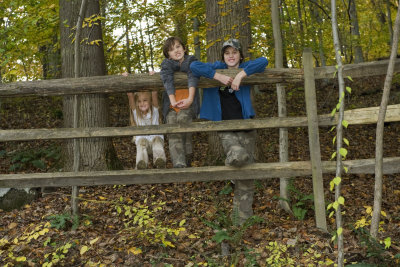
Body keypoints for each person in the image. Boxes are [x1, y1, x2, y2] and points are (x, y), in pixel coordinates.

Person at [190, 38, 268, 223]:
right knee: (238, 156)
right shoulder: (216, 67)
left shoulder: (247, 67)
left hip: (247, 127)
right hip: (225, 127)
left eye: (234, 52)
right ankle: (232, 170)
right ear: (223, 56)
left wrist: (241, 75)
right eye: (227, 53)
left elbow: (263, 61)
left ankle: (241, 221)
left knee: (246, 175)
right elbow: (194, 66)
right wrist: (219, 76)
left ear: (240, 55)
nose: (231, 56)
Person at [160, 36, 200, 168]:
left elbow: (192, 76)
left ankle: (188, 154)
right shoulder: (166, 65)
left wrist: (190, 99)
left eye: (178, 46)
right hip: (172, 106)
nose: (176, 50)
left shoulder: (191, 61)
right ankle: (179, 162)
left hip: (188, 104)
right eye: (171, 50)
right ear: (168, 55)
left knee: (183, 119)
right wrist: (173, 102)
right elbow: (167, 80)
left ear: (184, 48)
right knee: (172, 128)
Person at [128, 91, 166, 169]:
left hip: (155, 138)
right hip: (143, 141)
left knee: (157, 141)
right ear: (136, 103)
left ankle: (160, 160)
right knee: (141, 142)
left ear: (150, 101)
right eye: (139, 101)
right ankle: (141, 163)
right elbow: (130, 95)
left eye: (145, 100)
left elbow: (154, 92)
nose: (142, 103)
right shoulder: (136, 113)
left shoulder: (154, 111)